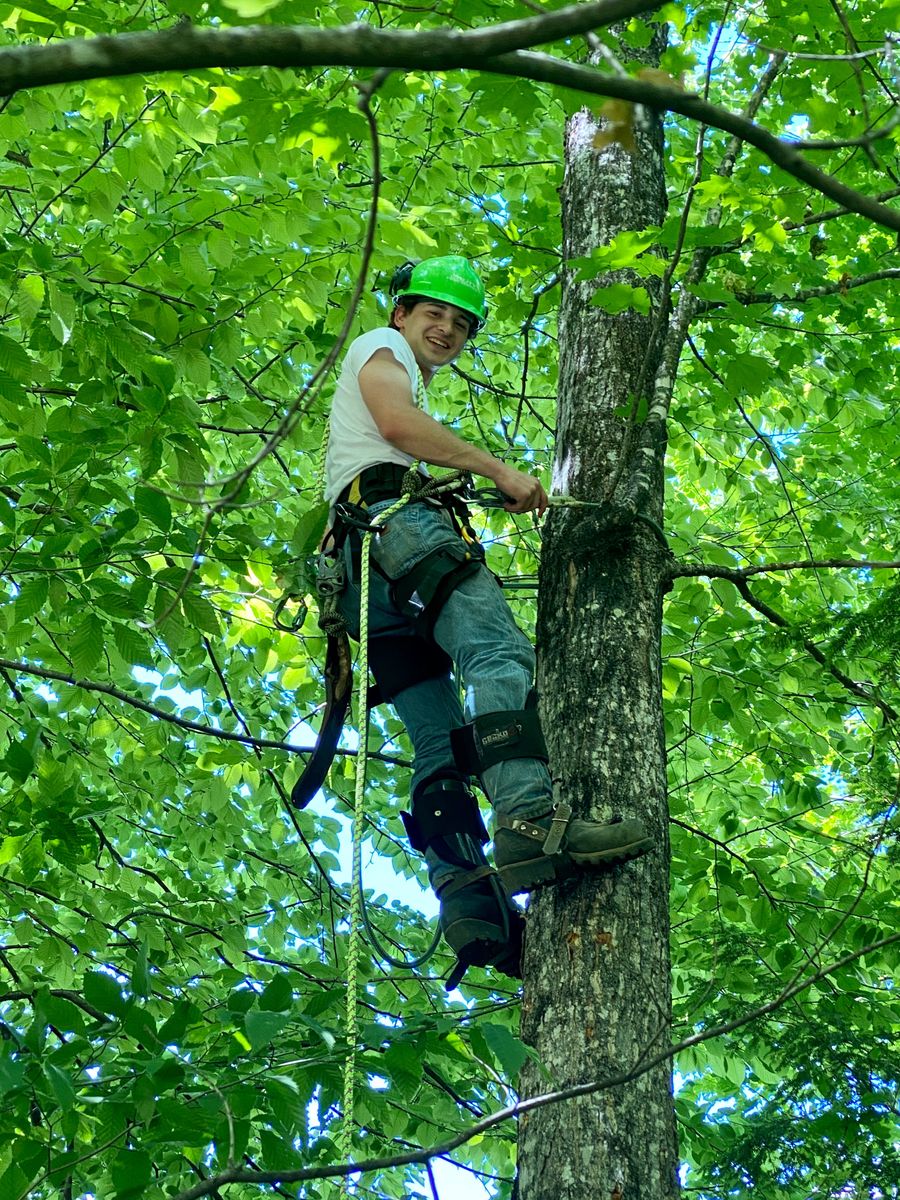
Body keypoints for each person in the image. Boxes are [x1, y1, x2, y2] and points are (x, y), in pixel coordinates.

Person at [323, 255, 652, 987]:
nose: (446, 329)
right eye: (433, 313)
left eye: (461, 323)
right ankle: (529, 820)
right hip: (397, 533)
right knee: (497, 652)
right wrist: (496, 468)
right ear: (401, 313)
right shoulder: (380, 347)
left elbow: (391, 438)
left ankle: (469, 897)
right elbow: (397, 422)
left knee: (438, 742)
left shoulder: (384, 380)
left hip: (361, 577)